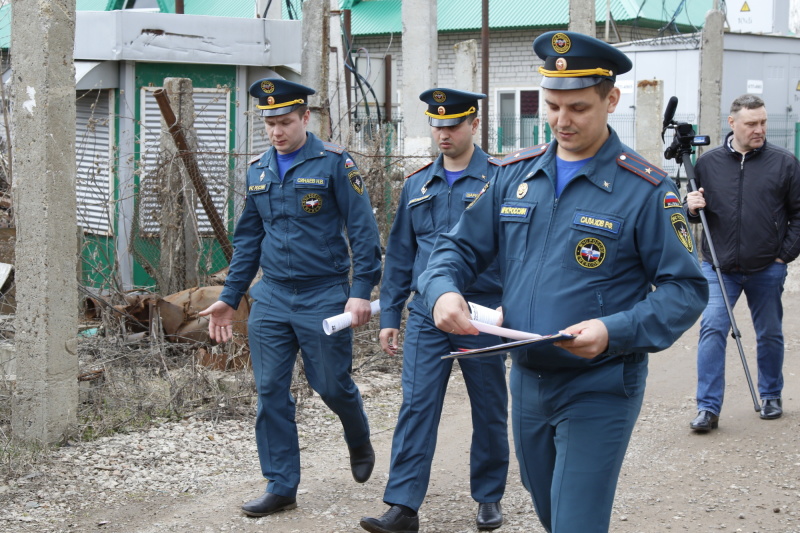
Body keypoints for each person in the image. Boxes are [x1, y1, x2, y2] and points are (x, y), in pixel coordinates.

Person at [417, 31, 708, 533]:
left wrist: (613, 330)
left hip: (599, 384)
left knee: (576, 520)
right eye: (551, 106)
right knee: (551, 510)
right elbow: (456, 247)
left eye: (577, 107)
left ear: (611, 99)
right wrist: (442, 289)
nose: (561, 121)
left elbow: (685, 289)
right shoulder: (516, 175)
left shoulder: (645, 189)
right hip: (528, 377)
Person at [199, 78, 382, 517]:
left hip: (324, 296)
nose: (277, 131)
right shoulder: (259, 169)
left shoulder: (336, 163)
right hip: (273, 298)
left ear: (305, 118)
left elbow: (364, 234)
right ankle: (281, 484)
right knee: (270, 392)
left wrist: (361, 293)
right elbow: (247, 242)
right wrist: (231, 296)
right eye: (269, 123)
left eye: (285, 121)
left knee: (330, 386)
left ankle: (356, 434)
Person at [360, 89, 509, 533]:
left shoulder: (499, 180)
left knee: (488, 406)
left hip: (480, 313)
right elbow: (401, 256)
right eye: (437, 125)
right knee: (417, 405)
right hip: (426, 313)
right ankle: (403, 506)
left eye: (453, 125)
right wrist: (390, 317)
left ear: (474, 125)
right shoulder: (417, 184)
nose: (443, 133)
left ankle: (488, 497)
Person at [686, 94, 800, 431]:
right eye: (752, 123)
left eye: (763, 122)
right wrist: (690, 206)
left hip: (767, 266)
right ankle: (707, 409)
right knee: (712, 329)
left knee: (769, 333)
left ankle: (771, 395)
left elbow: (798, 214)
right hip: (719, 266)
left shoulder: (785, 163)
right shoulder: (707, 164)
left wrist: (784, 256)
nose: (760, 129)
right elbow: (691, 214)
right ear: (732, 123)